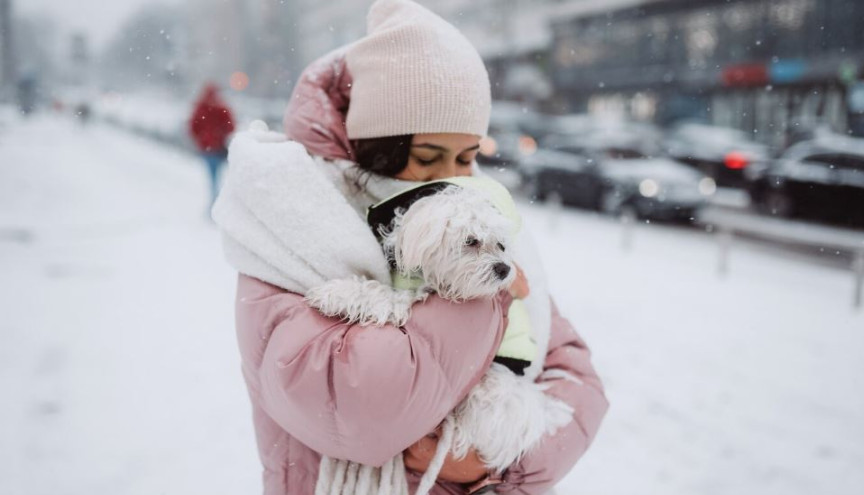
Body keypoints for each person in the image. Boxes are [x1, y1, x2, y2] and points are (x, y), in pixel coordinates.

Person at [211, 1, 608, 494]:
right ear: (379, 145)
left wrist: (496, 464)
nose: (453, 178)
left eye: (467, 158)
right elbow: (361, 406)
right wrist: (492, 299)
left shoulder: (479, 216)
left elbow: (578, 381)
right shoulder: (290, 225)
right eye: (427, 156)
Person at [189, 83, 235, 213]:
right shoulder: (221, 107)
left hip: (207, 149)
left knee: (213, 177)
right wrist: (221, 135)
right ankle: (219, 205)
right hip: (219, 149)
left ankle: (215, 205)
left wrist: (201, 139)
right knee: (220, 177)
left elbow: (193, 127)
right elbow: (231, 126)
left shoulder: (200, 107)